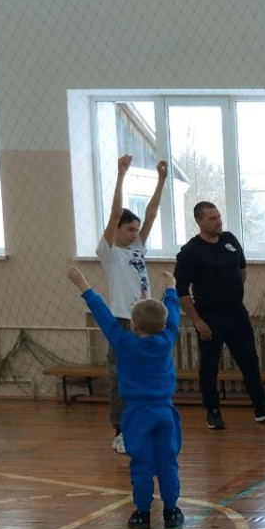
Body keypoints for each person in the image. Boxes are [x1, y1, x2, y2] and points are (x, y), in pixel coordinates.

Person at [67, 267, 184, 529]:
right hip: (165, 414)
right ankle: (171, 511)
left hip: (137, 415)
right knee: (167, 463)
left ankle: (142, 513)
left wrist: (83, 284)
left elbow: (104, 316)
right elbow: (174, 314)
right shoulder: (167, 339)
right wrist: (171, 287)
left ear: (133, 325)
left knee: (141, 464)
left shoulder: (124, 342)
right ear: (163, 326)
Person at [173, 202, 265, 430]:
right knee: (209, 366)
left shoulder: (230, 240)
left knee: (249, 361)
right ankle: (213, 412)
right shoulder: (190, 251)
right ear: (199, 221)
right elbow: (181, 291)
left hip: (236, 314)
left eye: (219, 216)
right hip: (209, 317)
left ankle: (261, 407)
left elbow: (241, 270)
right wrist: (197, 320)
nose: (218, 221)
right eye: (212, 218)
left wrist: (233, 292)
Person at [96, 154, 167, 454]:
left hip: (145, 318)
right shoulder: (109, 251)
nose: (135, 233)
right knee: (120, 375)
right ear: (117, 229)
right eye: (129, 229)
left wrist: (161, 180)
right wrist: (121, 174)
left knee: (145, 373)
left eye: (136, 230)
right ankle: (120, 431)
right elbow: (115, 213)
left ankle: (142, 424)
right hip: (123, 320)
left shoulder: (138, 247)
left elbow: (152, 214)